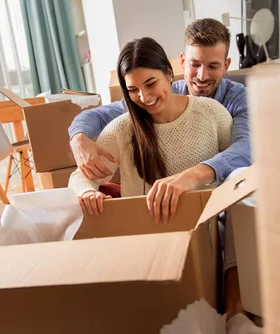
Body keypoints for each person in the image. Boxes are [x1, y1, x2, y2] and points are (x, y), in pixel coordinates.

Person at [68, 18, 250, 221]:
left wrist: (192, 176)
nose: (202, 75)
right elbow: (98, 116)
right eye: (195, 64)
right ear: (181, 63)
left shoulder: (230, 104)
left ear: (226, 66)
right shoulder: (144, 107)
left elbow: (246, 148)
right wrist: (78, 139)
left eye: (213, 66)